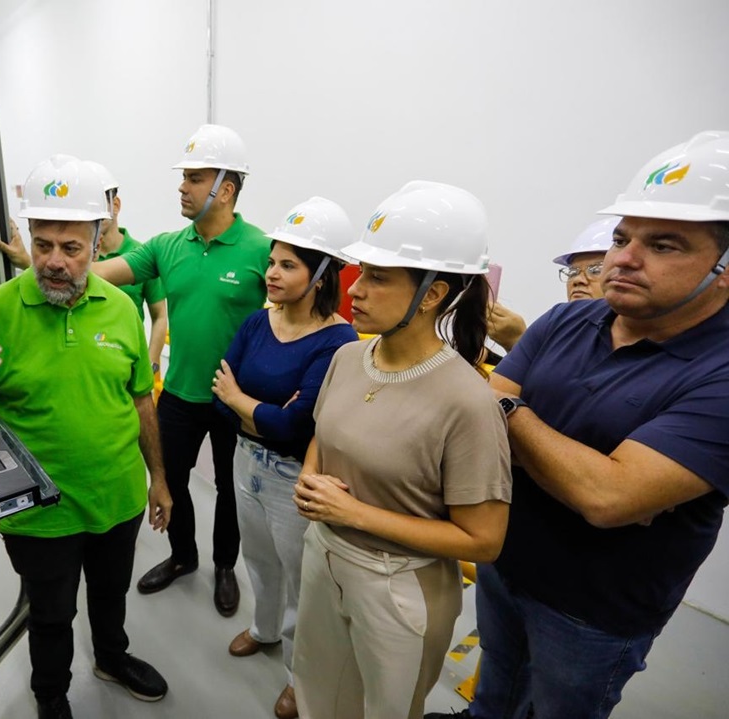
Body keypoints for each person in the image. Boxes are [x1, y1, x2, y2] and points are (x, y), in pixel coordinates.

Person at [430, 130, 729, 719]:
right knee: (494, 689)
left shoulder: (719, 372)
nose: (622, 259)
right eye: (621, 238)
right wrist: (543, 440)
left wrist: (512, 412)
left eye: (664, 245)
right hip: (503, 562)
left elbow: (607, 496)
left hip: (593, 612)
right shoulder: (570, 322)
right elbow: (476, 418)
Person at [0, 154, 173, 719]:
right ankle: (51, 696)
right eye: (42, 244)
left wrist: (160, 480)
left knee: (110, 597)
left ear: (98, 244)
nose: (54, 262)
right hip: (40, 511)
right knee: (51, 615)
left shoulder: (124, 309)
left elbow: (140, 398)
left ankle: (111, 657)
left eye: (71, 248)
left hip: (118, 497)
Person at [292, 181, 512, 719]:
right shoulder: (349, 357)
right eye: (360, 272)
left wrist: (354, 512)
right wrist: (310, 475)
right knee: (317, 694)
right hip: (323, 556)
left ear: (433, 293)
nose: (355, 290)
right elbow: (326, 433)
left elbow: (483, 541)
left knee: (387, 708)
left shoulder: (466, 401)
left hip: (399, 586)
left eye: (377, 278)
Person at [93, 124, 270, 616]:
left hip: (235, 400)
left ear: (226, 189)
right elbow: (106, 271)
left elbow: (299, 318)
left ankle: (225, 566)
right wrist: (53, 263)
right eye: (184, 177)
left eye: (194, 178)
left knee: (231, 494)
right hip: (180, 395)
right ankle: (183, 557)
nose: (182, 187)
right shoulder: (167, 246)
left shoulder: (261, 250)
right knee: (170, 479)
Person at [211, 197, 359, 719]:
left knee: (303, 581)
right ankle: (263, 630)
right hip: (245, 459)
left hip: (293, 476)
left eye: (287, 265)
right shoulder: (258, 322)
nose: (271, 272)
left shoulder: (339, 341)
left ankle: (300, 676)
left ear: (320, 275)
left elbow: (299, 427)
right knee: (258, 559)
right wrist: (258, 411)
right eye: (272, 261)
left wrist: (241, 401)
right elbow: (219, 391)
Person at [81, 160, 169, 380]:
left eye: (99, 204)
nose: (94, 213)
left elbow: (159, 315)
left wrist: (152, 361)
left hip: (128, 364)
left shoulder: (141, 256)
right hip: (85, 364)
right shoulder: (77, 258)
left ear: (116, 205)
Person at [486, 217, 618, 353]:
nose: (578, 279)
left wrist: (518, 341)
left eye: (595, 270)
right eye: (573, 271)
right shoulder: (558, 328)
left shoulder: (623, 343)